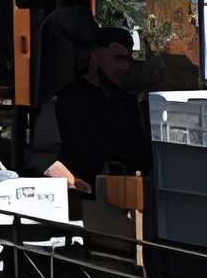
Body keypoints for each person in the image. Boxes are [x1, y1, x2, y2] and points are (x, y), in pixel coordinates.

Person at [50, 29, 152, 188]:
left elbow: (138, 153)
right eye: (117, 58)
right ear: (95, 55)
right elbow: (52, 155)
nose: (124, 67)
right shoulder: (69, 99)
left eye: (127, 59)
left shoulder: (127, 101)